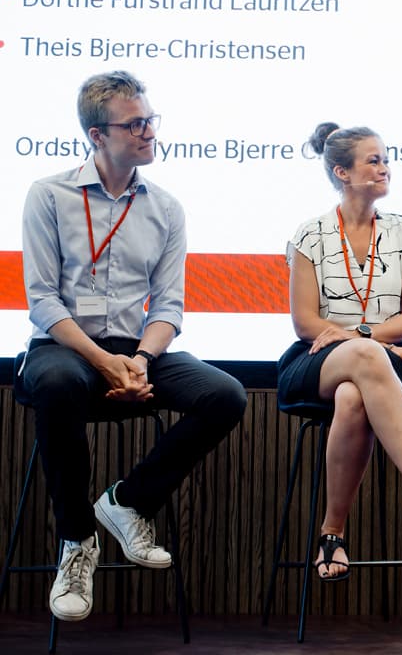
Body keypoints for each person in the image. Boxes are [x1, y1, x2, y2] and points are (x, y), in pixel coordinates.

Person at [19, 70, 248, 621]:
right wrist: (104, 362)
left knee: (225, 395)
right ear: (97, 135)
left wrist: (141, 361)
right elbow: (43, 300)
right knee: (58, 383)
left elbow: (169, 305)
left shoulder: (165, 208)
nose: (149, 132)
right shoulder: (49, 195)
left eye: (150, 120)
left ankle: (127, 502)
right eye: (135, 124)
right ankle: (77, 539)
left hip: (137, 347)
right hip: (65, 346)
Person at [277, 122, 402, 582]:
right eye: (374, 161)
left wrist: (363, 336)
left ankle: (331, 534)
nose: (385, 168)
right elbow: (306, 324)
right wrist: (379, 344)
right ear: (342, 172)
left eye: (387, 160)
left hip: (385, 364)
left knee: (353, 396)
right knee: (367, 359)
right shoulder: (310, 235)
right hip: (316, 361)